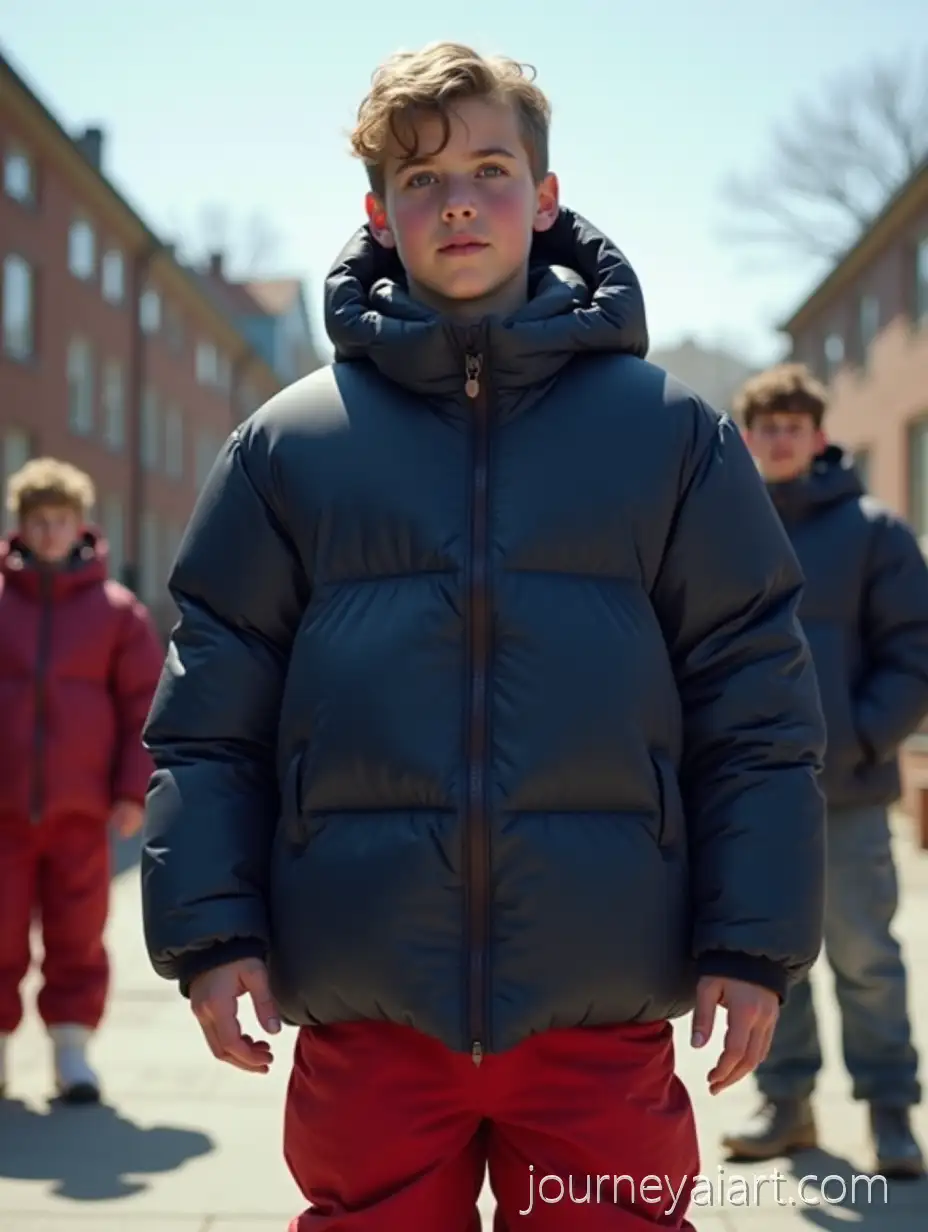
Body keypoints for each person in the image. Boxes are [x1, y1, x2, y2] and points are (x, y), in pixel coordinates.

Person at [140, 42, 827, 1231]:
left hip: (598, 1000)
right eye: (420, 179)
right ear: (377, 214)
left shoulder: (670, 435)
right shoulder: (286, 448)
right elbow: (209, 714)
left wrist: (751, 941)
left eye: (491, 168)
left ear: (546, 199)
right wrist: (209, 928)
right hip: (369, 1007)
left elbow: (754, 698)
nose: (457, 197)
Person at [723, 362, 928, 1178]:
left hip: (843, 791)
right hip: (747, 796)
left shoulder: (873, 531)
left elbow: (915, 651)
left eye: (793, 427)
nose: (779, 440)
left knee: (865, 957)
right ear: (748, 438)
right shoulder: (722, 526)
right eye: (765, 427)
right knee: (770, 958)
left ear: (819, 437)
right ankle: (787, 1103)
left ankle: (889, 1111)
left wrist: (861, 739)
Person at [0, 457, 164, 1104]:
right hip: (5, 810)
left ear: (81, 525)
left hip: (81, 810)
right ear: (20, 525)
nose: (48, 533)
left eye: (59, 521)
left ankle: (72, 1051)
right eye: (37, 521)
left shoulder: (116, 613)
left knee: (77, 930)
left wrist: (132, 791)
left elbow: (144, 707)